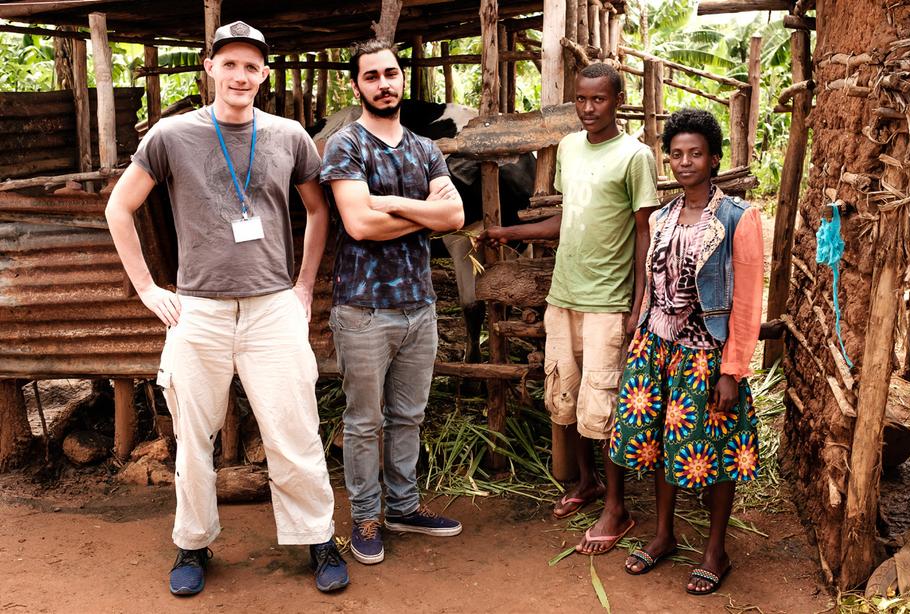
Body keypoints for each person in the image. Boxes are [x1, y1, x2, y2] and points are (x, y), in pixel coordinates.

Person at [104, 21, 347, 596]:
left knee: (295, 431)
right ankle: (192, 543)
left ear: (264, 74)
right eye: (229, 63)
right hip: (199, 313)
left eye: (251, 66)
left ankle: (319, 538)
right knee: (193, 438)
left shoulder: (288, 136)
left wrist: (304, 286)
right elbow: (120, 208)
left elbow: (318, 212)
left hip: (271, 310)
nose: (241, 75)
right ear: (209, 68)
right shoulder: (170, 135)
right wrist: (146, 288)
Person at [479, 62, 660, 549]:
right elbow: (568, 217)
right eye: (581, 99)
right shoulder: (568, 149)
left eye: (598, 99)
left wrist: (639, 302)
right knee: (569, 397)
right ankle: (588, 482)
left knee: (603, 405)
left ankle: (617, 510)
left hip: (608, 301)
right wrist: (505, 233)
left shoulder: (636, 157)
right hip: (564, 297)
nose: (588, 109)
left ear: (618, 99)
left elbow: (645, 232)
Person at [604, 108, 764, 595]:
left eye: (695, 153)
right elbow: (652, 287)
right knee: (655, 445)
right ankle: (663, 535)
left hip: (705, 357)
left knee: (711, 450)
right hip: (656, 350)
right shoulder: (662, 216)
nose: (685, 162)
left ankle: (716, 549)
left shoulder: (739, 218)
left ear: (714, 159)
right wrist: (638, 341)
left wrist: (732, 370)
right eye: (676, 154)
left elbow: (748, 301)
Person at [320, 39, 465, 566]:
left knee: (408, 415)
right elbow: (359, 224)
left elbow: (454, 218)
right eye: (372, 76)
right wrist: (423, 210)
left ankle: (403, 506)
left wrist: (393, 203)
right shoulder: (346, 145)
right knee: (364, 421)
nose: (384, 83)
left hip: (418, 305)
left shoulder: (426, 148)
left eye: (391, 73)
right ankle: (365, 516)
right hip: (363, 309)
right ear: (355, 85)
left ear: (402, 79)